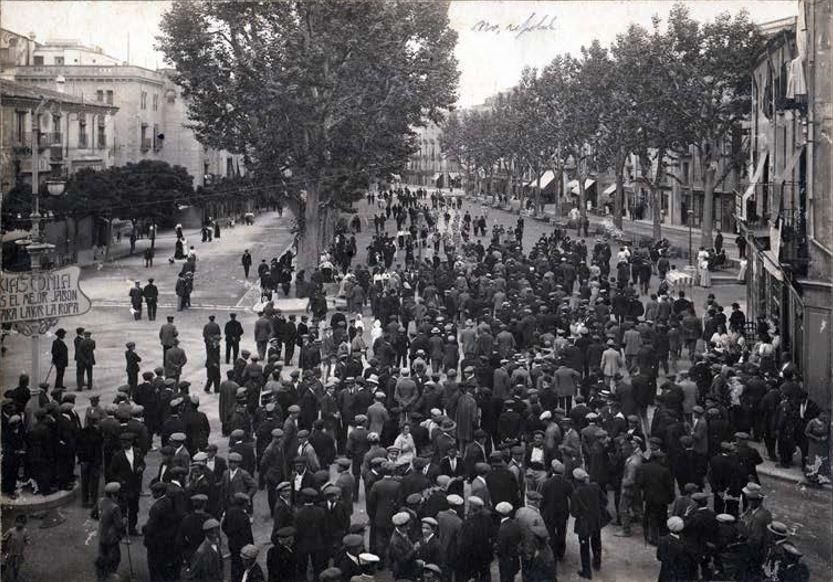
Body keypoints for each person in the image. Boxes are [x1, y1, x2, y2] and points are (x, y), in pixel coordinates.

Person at [570, 468, 607, 579]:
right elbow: (604, 501)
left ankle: (587, 571)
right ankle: (597, 563)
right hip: (596, 520)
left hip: (583, 523)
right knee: (596, 542)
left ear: (576, 480)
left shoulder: (576, 493)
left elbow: (574, 512)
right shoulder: (595, 487)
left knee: (584, 547)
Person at [96, 482, 125, 581]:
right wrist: (124, 521)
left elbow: (93, 514)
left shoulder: (100, 501)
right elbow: (119, 525)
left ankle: (101, 576)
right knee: (115, 558)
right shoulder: (115, 507)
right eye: (117, 494)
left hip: (102, 535)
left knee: (102, 557)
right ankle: (110, 576)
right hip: (111, 538)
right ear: (113, 495)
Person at [1, 514, 29, 582]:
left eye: (21, 523)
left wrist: (27, 541)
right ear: (15, 522)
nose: (19, 524)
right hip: (10, 551)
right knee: (6, 563)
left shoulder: (25, 531)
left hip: (19, 552)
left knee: (16, 566)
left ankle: (15, 577)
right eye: (18, 522)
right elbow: (4, 538)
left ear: (24, 524)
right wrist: (3, 545)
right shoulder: (11, 531)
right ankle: (3, 574)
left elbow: (27, 538)